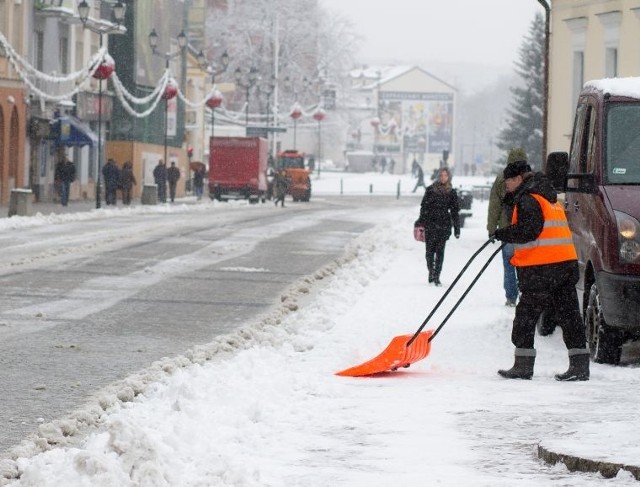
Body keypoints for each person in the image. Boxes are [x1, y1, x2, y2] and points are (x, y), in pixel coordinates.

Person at [491, 160, 590, 381]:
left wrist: (503, 233)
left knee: (525, 317)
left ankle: (523, 366)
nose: (506, 186)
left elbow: (529, 231)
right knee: (570, 315)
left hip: (542, 269)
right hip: (564, 264)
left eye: (508, 181)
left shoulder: (528, 199)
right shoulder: (547, 195)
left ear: (518, 179)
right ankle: (580, 366)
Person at [487, 148, 525, 307]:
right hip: (524, 229)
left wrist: (491, 229)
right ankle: (525, 294)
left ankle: (511, 296)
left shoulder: (501, 179)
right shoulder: (527, 178)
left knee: (509, 264)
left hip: (506, 229)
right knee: (524, 264)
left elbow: (494, 206)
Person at [414, 167, 460, 286]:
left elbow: (455, 211)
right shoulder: (430, 190)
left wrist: (457, 228)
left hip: (443, 225)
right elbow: (424, 207)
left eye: (445, 175)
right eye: (441, 175)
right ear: (438, 176)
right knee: (429, 252)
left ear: (448, 177)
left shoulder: (451, 192)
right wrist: (421, 222)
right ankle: (431, 271)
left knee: (440, 252)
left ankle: (437, 276)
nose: (443, 178)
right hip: (430, 224)